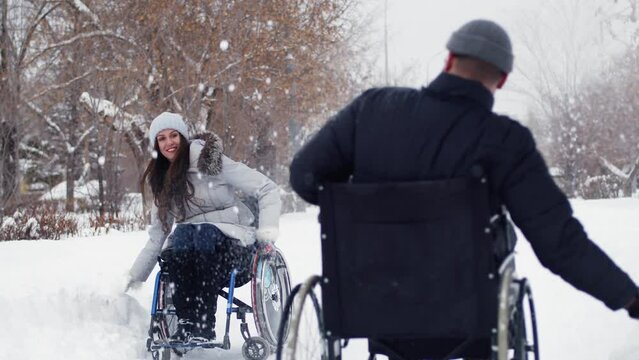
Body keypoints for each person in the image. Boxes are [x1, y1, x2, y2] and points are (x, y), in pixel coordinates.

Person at [289, 19, 638, 356]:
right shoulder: (505, 142)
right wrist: (628, 297)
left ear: (449, 59)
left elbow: (305, 177)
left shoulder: (371, 109)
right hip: (467, 314)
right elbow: (559, 243)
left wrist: (365, 204)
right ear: (501, 81)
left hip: (372, 303)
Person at [127, 112, 281, 343]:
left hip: (234, 249)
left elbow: (267, 188)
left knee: (202, 233)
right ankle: (187, 323)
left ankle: (203, 324)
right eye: (162, 138)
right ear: (157, 145)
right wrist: (132, 277)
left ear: (183, 137)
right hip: (192, 248)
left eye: (173, 135)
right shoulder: (163, 180)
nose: (169, 142)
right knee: (178, 241)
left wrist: (267, 234)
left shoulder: (210, 162)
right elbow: (158, 235)